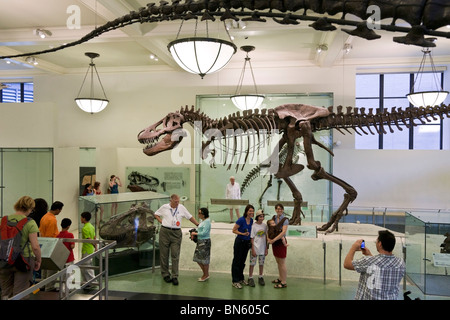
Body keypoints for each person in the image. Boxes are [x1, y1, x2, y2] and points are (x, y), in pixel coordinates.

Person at [344, 230, 406, 300]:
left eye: (377, 241)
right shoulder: (401, 263)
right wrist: (369, 254)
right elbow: (380, 267)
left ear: (380, 244)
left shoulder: (369, 261)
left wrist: (353, 247)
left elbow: (347, 264)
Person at [0, 196, 41, 300]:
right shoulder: (30, 222)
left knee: (5, 291)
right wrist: (38, 260)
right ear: (29, 208)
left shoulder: (4, 220)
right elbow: (35, 246)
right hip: (23, 260)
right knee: (20, 292)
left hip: (4, 259)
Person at [154, 194, 199, 286]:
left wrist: (198, 224)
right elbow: (156, 214)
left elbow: (189, 217)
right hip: (165, 232)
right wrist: (161, 222)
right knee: (164, 254)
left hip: (176, 233)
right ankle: (165, 274)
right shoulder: (164, 207)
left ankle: (175, 276)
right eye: (175, 202)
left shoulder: (181, 208)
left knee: (175, 254)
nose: (177, 203)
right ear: (171, 200)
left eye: (178, 201)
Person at [39, 201, 63, 291]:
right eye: (60, 210)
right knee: (51, 268)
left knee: (44, 267)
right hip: (50, 245)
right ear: (57, 209)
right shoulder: (52, 220)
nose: (60, 212)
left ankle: (42, 285)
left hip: (43, 244)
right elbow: (51, 235)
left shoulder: (44, 217)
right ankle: (50, 286)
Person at [231, 204, 254, 289]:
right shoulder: (241, 220)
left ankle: (241, 278)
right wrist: (242, 234)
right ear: (246, 211)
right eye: (250, 211)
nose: (251, 212)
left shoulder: (251, 221)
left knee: (242, 261)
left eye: (252, 211)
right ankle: (235, 281)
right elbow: (234, 230)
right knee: (237, 261)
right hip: (239, 242)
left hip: (246, 243)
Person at [267, 203, 289, 289]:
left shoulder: (285, 220)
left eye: (280, 209)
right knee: (278, 261)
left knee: (282, 262)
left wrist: (274, 240)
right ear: (275, 210)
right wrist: (269, 239)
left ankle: (284, 282)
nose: (279, 210)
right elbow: (270, 229)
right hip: (274, 242)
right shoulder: (274, 218)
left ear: (283, 210)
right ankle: (280, 278)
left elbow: (283, 232)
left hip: (280, 242)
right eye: (277, 209)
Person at [191, 207, 211, 282]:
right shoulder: (203, 221)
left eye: (200, 213)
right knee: (198, 259)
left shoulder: (207, 222)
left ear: (203, 214)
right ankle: (205, 273)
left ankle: (206, 274)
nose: (198, 215)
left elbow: (204, 233)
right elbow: (200, 229)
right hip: (200, 241)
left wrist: (195, 233)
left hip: (204, 242)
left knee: (204, 259)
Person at [249, 209, 268, 286]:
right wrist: (253, 249)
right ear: (257, 217)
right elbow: (252, 238)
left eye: (263, 216)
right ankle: (250, 277)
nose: (262, 218)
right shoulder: (253, 226)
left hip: (262, 248)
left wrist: (266, 248)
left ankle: (260, 276)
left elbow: (266, 237)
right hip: (255, 248)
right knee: (252, 263)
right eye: (260, 216)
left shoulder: (265, 226)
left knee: (261, 263)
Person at [57, 218, 75, 296]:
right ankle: (68, 288)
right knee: (69, 273)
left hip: (61, 258)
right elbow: (72, 246)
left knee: (62, 274)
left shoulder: (58, 235)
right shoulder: (70, 235)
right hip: (69, 258)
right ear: (68, 226)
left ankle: (61, 288)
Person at [80, 211, 96, 289]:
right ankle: (87, 282)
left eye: (81, 217)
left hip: (86, 250)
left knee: (86, 266)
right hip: (90, 249)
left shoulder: (85, 228)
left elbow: (89, 239)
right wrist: (95, 247)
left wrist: (94, 245)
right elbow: (94, 237)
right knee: (86, 266)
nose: (80, 219)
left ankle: (93, 282)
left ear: (84, 218)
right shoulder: (91, 226)